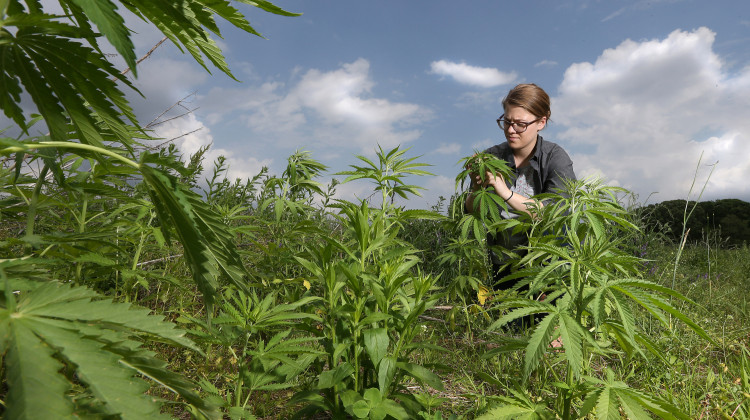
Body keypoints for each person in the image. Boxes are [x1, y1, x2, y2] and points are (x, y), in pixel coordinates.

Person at [465, 83, 576, 293]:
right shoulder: (492, 157)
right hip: (504, 265)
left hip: (547, 267)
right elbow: (474, 213)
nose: (510, 130)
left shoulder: (556, 158)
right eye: (506, 122)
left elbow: (554, 213)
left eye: (520, 124)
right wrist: (476, 189)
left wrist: (505, 192)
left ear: (541, 121)